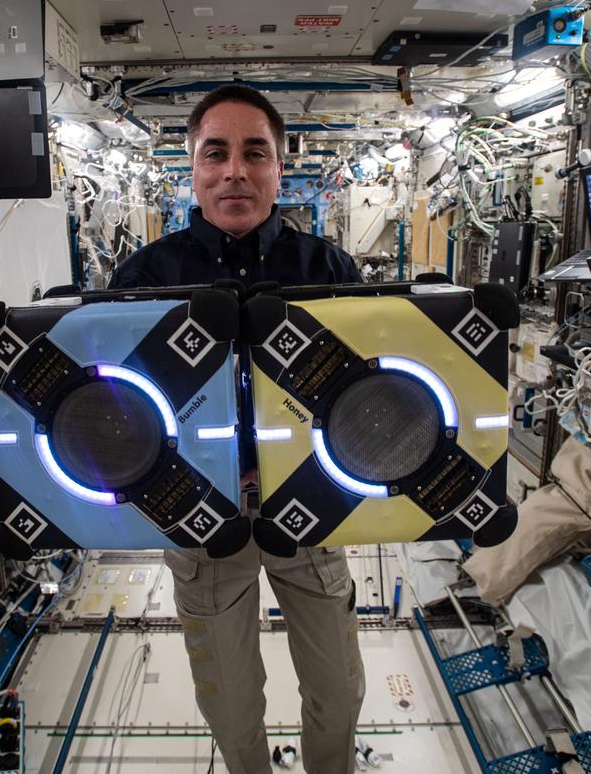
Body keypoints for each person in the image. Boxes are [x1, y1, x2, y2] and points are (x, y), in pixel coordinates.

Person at [109, 85, 366, 774]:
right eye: (215, 153)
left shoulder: (329, 271)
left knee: (340, 693)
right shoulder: (142, 278)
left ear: (280, 167)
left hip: (310, 508)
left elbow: (370, 398)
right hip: (201, 519)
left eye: (255, 153)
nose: (235, 172)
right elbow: (112, 410)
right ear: (191, 169)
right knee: (230, 706)